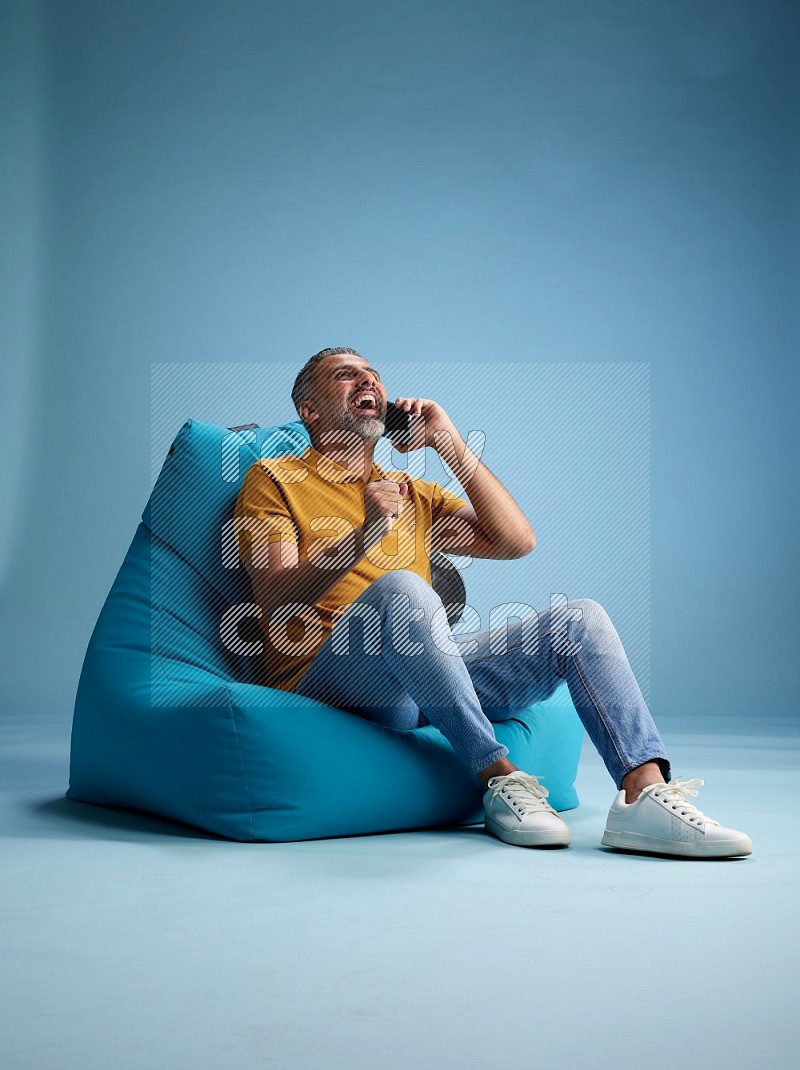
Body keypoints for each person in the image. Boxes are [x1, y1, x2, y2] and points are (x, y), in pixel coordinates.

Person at [233, 346, 752, 859]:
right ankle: (500, 778)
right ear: (311, 411)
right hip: (330, 677)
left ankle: (643, 793)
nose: (368, 381)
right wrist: (364, 535)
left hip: (420, 678)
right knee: (403, 588)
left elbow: (515, 540)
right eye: (347, 376)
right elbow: (276, 591)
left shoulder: (408, 490)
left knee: (580, 620)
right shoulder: (275, 478)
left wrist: (449, 442)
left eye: (373, 375)